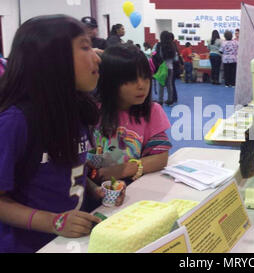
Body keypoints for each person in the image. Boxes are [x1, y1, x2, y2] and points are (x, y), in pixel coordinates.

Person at [0, 15, 125, 253]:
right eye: (85, 47)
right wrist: (53, 221)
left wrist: (96, 190)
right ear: (52, 58)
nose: (97, 56)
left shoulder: (75, 110)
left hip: (72, 243)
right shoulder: (14, 123)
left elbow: (70, 170)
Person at [88, 44, 172, 188]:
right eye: (132, 80)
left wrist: (123, 170)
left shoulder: (152, 111)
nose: (142, 85)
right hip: (90, 190)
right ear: (110, 81)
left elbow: (161, 157)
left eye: (146, 77)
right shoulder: (91, 110)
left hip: (132, 188)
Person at [153, 31, 177, 105]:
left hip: (162, 67)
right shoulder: (173, 46)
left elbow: (158, 55)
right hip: (170, 67)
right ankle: (170, 100)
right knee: (169, 84)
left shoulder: (159, 45)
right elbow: (175, 59)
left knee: (161, 84)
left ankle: (160, 100)